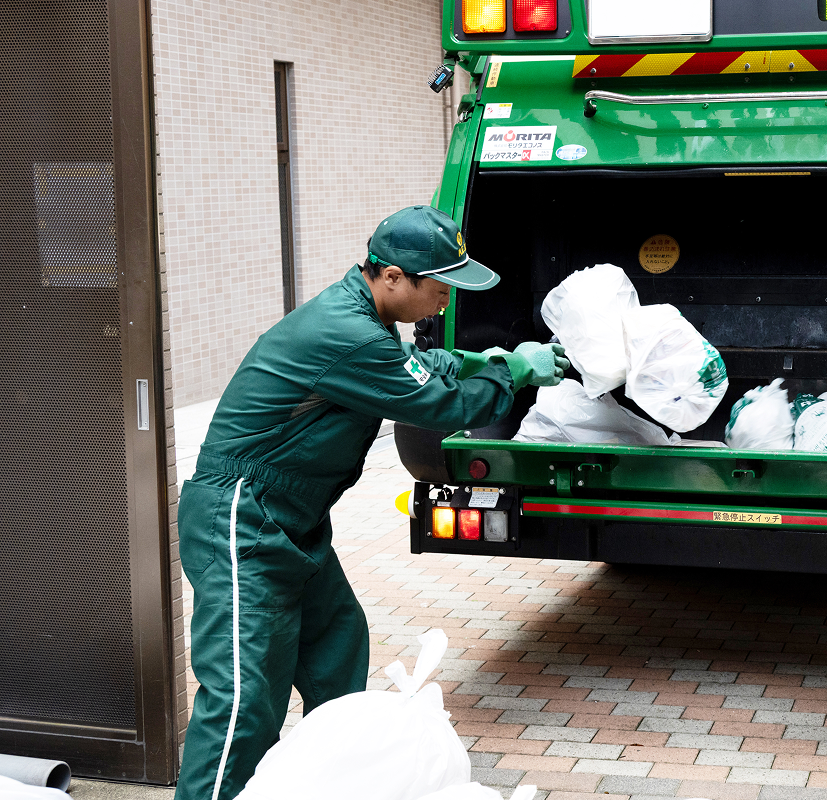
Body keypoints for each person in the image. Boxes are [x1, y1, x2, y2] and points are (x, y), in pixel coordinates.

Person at [175, 205, 567, 800]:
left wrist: (490, 361)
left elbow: (423, 365)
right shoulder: (346, 331)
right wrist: (510, 377)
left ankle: (334, 782)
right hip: (241, 517)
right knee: (244, 697)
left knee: (336, 649)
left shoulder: (370, 322)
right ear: (391, 278)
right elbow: (441, 405)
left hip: (291, 519)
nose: (446, 300)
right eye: (439, 287)